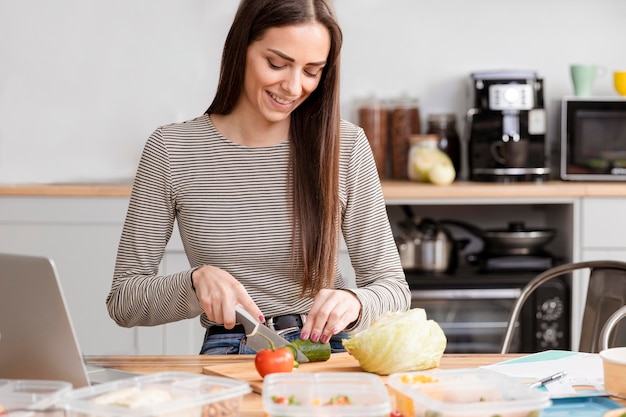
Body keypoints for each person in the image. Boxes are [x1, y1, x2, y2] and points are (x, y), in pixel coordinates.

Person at [106, 0, 410, 355]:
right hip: (231, 345)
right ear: (241, 48)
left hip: (327, 349)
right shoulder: (172, 149)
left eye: (312, 71)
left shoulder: (346, 146)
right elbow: (124, 300)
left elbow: (392, 289)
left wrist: (354, 302)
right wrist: (194, 283)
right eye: (277, 64)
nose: (294, 87)